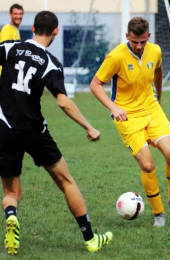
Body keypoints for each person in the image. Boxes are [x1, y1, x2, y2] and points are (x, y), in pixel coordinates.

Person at [0, 11, 112, 255]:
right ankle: (91, 239)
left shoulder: (9, 47)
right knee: (66, 181)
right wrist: (89, 126)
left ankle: (11, 215)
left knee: (10, 192)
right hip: (34, 131)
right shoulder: (51, 63)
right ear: (55, 31)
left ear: (32, 28)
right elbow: (63, 102)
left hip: (4, 128)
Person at [90, 16, 170, 227]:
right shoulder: (115, 57)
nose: (138, 46)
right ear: (127, 36)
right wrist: (114, 107)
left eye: (142, 42)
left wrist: (159, 97)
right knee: (148, 165)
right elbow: (95, 84)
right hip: (127, 116)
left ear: (149, 37)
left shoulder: (154, 50)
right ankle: (159, 214)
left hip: (152, 110)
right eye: (134, 41)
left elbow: (157, 70)